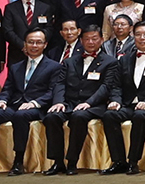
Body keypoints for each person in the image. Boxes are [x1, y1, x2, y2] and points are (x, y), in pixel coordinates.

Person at [0, 29, 61, 175]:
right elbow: (7, 89)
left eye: (38, 42)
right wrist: (2, 100)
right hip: (15, 104)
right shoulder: (16, 66)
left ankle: (18, 161)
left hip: (38, 107)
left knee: (21, 116)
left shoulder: (54, 66)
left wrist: (34, 103)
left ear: (45, 45)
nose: (34, 45)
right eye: (31, 42)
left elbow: (52, 92)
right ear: (25, 44)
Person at [43, 25, 118, 175]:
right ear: (81, 41)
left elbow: (106, 87)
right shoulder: (69, 61)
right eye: (87, 39)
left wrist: (88, 103)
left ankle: (72, 162)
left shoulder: (110, 62)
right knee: (51, 117)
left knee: (79, 117)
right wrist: (59, 102)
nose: (90, 42)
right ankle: (58, 162)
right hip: (70, 103)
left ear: (101, 40)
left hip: (94, 105)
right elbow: (60, 83)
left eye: (94, 38)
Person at [100, 22, 145, 174]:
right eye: (138, 34)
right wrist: (116, 101)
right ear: (134, 37)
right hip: (129, 105)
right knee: (109, 115)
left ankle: (133, 161)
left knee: (140, 116)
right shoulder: (124, 59)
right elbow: (116, 85)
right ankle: (119, 161)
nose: (142, 38)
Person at [4, 0, 61, 65]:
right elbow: (8, 31)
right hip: (17, 54)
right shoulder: (11, 8)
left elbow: (49, 28)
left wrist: (38, 44)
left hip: (40, 53)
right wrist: (24, 46)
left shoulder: (45, 8)